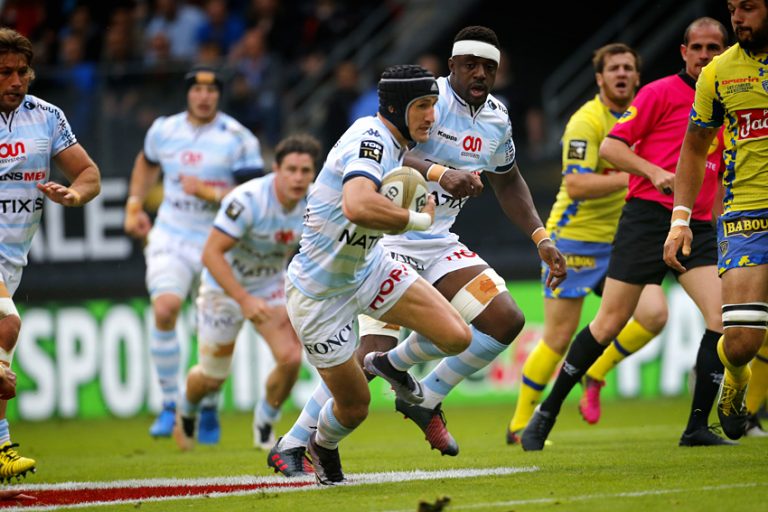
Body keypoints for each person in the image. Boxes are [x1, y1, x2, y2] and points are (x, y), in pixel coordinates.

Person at [268, 26, 566, 473]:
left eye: (489, 67)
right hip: (387, 237)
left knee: (504, 319)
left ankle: (424, 397)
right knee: (363, 365)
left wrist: (540, 236)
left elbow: (508, 181)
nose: (480, 74)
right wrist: (440, 174)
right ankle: (296, 440)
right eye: (470, 65)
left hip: (438, 238)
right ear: (451, 66)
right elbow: (389, 150)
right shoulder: (424, 100)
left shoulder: (497, 120)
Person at [522, 17, 731, 450]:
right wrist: (654, 172)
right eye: (699, 48)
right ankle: (546, 411)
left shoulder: (728, 101)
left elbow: (722, 169)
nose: (707, 56)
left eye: (715, 49)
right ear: (684, 52)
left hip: (696, 223)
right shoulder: (658, 93)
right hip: (646, 220)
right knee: (608, 323)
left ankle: (696, 426)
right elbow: (612, 148)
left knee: (721, 320)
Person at [274, 64, 476, 485]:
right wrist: (417, 220)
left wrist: (434, 176)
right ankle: (321, 445)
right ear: (398, 108)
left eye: (434, 106)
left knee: (457, 336)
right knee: (354, 408)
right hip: (318, 294)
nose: (432, 116)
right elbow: (358, 206)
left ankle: (387, 363)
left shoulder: (392, 140)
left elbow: (399, 168)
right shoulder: (369, 138)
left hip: (369, 269)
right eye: (422, 106)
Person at [505, 43, 668, 443]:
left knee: (655, 315)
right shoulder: (587, 121)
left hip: (622, 239)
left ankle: (595, 372)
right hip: (573, 240)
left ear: (637, 76)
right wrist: (640, 176)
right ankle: (519, 423)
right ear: (599, 78)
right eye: (613, 68)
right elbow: (576, 184)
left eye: (628, 67)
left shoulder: (644, 119)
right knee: (559, 336)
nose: (621, 74)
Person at [123, 65, 264, 441]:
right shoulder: (164, 130)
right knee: (165, 308)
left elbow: (253, 197)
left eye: (211, 90)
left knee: (211, 331)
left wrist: (210, 193)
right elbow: (146, 163)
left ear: (219, 94)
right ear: (188, 94)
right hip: (170, 234)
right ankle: (170, 404)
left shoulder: (238, 139)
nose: (204, 96)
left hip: (218, 242)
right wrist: (135, 204)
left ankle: (208, 404)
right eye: (197, 89)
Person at [172, 134, 321, 452]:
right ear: (276, 169)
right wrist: (243, 299)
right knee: (212, 378)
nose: (298, 178)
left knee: (290, 358)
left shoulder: (316, 202)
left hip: (269, 285)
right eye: (291, 169)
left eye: (305, 171)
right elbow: (211, 254)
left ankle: (265, 424)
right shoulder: (247, 200)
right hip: (223, 287)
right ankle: (186, 406)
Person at [663, 0, 768, 441]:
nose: (738, 18)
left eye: (748, 7)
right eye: (732, 8)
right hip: (746, 209)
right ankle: (736, 381)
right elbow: (695, 145)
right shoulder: (718, 72)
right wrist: (680, 220)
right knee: (741, 341)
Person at [0, 27, 101, 480]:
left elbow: (89, 173)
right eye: (4, 72)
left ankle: (1, 451)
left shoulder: (46, 116)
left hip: (12, 256)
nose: (15, 81)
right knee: (7, 324)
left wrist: (74, 196)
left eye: (22, 72)